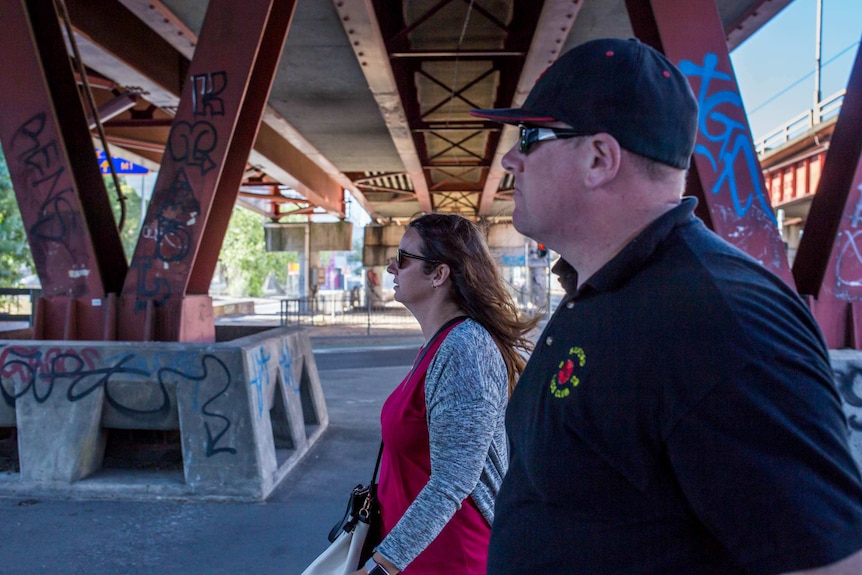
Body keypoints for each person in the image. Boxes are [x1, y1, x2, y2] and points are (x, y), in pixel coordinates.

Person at [469, 37, 862, 574]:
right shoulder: (605, 288)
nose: (511, 158)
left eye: (530, 136)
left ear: (599, 158)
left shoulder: (720, 321)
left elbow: (827, 563)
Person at [351, 213, 537, 575]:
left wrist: (380, 568)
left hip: (451, 558)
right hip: (414, 554)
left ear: (438, 275)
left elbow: (454, 480)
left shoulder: (466, 349)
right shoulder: (439, 345)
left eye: (404, 258)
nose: (391, 267)